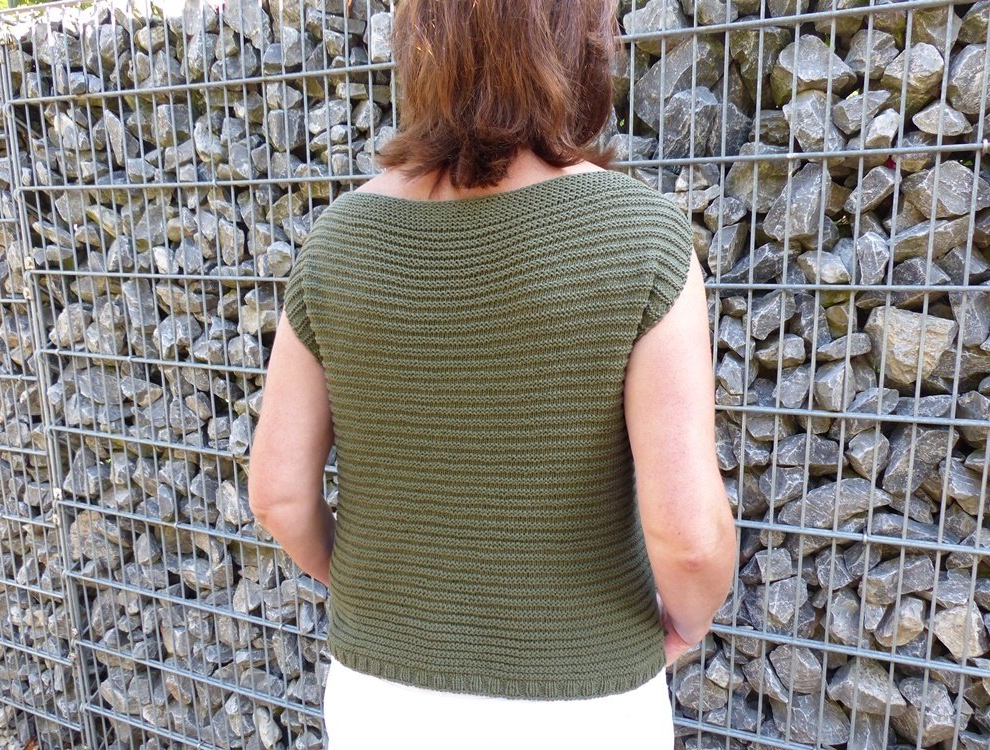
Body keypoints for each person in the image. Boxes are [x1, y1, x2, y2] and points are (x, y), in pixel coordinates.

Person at [248, 0, 736, 747]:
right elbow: (689, 538)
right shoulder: (642, 237)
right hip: (582, 701)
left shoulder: (336, 240)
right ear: (579, 40)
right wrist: (688, 624)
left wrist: (374, 599)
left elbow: (278, 494)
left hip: (379, 703)